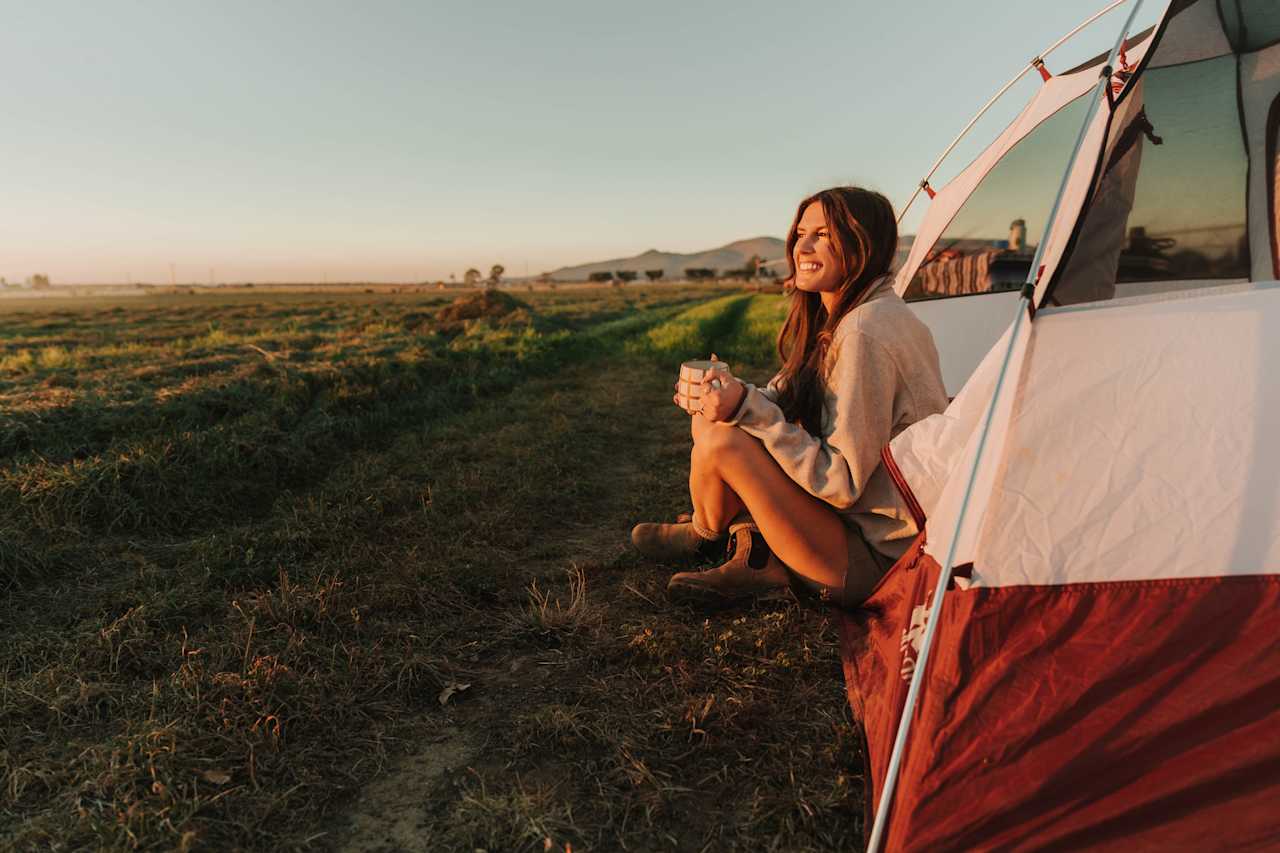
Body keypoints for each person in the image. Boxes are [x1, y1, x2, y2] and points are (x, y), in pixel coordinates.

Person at [630, 186, 948, 607]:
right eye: (801, 233)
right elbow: (782, 395)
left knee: (728, 437)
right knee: (715, 418)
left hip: (876, 558)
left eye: (823, 234)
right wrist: (730, 397)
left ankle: (709, 535)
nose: (803, 246)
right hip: (850, 529)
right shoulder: (852, 315)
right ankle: (725, 539)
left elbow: (842, 483)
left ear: (862, 244)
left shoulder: (865, 331)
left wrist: (747, 408)